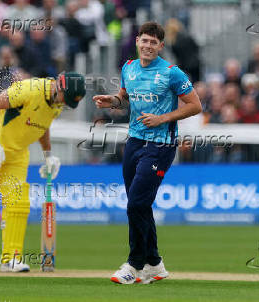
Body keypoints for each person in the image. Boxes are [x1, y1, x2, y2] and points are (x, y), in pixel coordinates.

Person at [93, 22, 202, 284]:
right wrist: (114, 101)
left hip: (161, 145)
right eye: (145, 41)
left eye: (154, 42)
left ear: (161, 46)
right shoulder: (128, 68)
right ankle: (155, 263)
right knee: (139, 204)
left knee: (137, 204)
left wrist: (163, 118)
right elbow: (124, 96)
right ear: (138, 42)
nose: (148, 46)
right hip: (134, 142)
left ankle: (134, 265)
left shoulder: (171, 72)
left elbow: (195, 105)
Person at [0, 72, 86, 272]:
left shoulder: (57, 103)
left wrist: (48, 154)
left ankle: (11, 258)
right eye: (66, 98)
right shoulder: (29, 89)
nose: (64, 104)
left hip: (18, 152)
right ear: (60, 86)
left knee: (18, 202)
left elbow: (43, 125)